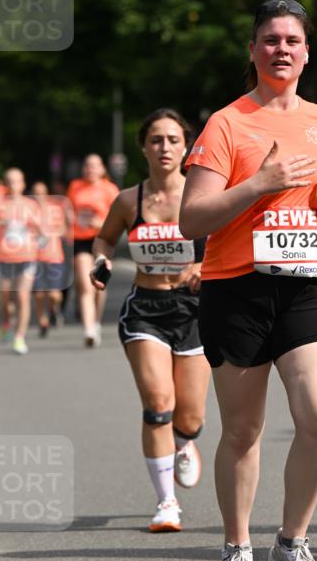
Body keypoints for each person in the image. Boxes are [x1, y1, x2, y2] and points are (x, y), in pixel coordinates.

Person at [180, 0, 317, 561]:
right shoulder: (228, 123)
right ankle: (236, 550)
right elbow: (191, 218)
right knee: (242, 432)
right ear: (253, 50)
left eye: (292, 40)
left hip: (311, 284)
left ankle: (292, 542)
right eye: (270, 39)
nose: (281, 49)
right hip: (238, 289)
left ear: (307, 53)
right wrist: (260, 184)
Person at [91, 109, 210, 532]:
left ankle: (185, 442)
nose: (164, 148)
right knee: (159, 403)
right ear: (143, 146)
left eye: (173, 140)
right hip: (146, 308)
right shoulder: (129, 200)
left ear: (186, 147)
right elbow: (104, 237)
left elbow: (231, 238)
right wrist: (101, 260)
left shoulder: (202, 195)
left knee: (190, 416)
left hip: (195, 310)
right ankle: (166, 504)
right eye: (156, 139)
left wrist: (204, 266)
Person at [0, 167, 40, 354]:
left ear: (23, 184)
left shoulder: (31, 205)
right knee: (5, 297)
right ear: (5, 184)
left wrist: (35, 224)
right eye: (9, 181)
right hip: (4, 257)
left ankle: (19, 337)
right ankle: (6, 323)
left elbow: (43, 229)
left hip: (27, 256)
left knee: (23, 296)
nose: (13, 185)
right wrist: (2, 221)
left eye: (17, 181)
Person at [66, 155, 119, 347]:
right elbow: (69, 210)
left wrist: (101, 223)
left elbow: (119, 217)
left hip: (102, 240)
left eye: (95, 165)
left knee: (99, 284)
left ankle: (96, 322)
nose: (90, 169)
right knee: (84, 284)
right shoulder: (75, 186)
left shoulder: (109, 189)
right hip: (80, 239)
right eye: (87, 165)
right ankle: (88, 329)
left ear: (102, 168)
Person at [31, 181, 70, 336]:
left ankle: (54, 309)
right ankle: (43, 321)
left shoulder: (54, 208)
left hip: (54, 256)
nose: (38, 195)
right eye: (35, 192)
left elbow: (63, 228)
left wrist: (51, 232)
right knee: (39, 293)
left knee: (55, 294)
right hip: (34, 257)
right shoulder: (28, 210)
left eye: (41, 192)